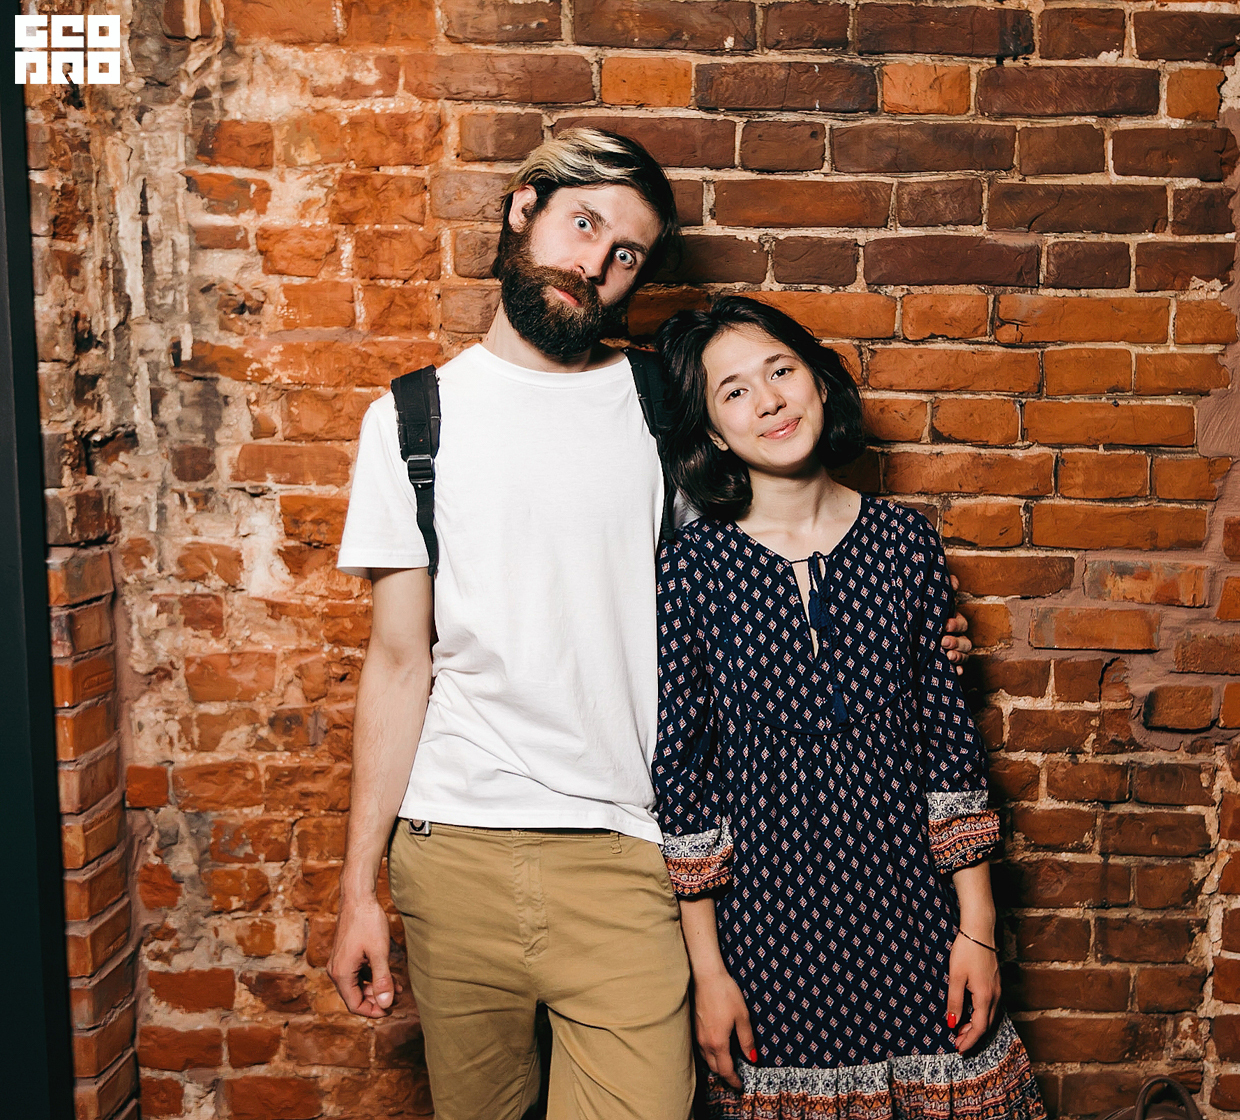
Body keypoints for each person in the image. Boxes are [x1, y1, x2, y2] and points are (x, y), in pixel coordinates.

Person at [327, 130, 971, 1120]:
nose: (596, 265)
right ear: (524, 208)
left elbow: (766, 549)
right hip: (454, 848)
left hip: (628, 848)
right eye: (584, 224)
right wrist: (357, 890)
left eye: (625, 253)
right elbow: (398, 661)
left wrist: (904, 626)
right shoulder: (412, 421)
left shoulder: (657, 405)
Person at [651, 297, 1045, 1120]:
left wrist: (976, 929)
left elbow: (950, 750)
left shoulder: (905, 543)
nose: (768, 401)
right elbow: (685, 780)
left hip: (914, 920)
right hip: (767, 938)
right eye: (734, 391)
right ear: (714, 432)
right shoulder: (690, 571)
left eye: (781, 371)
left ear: (820, 384)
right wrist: (709, 972)